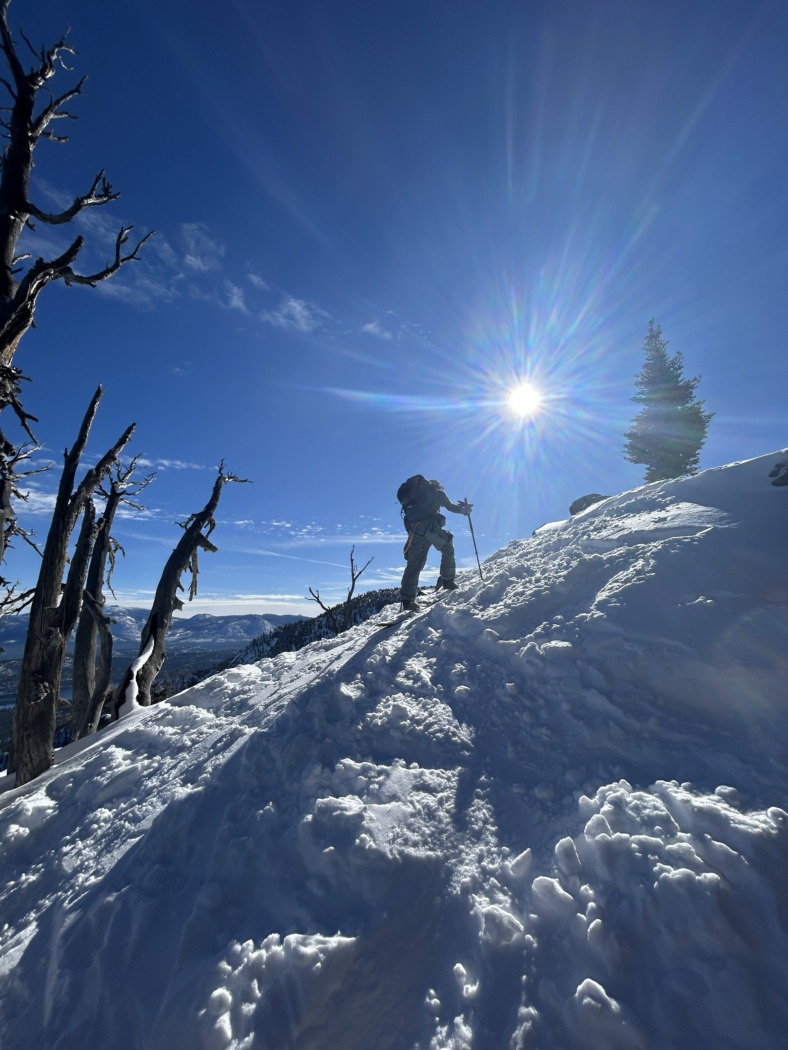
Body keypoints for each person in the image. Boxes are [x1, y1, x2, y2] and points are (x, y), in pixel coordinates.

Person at [398, 477, 472, 611]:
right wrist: (464, 510)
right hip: (430, 528)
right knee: (447, 546)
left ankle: (407, 600)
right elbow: (451, 507)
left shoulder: (415, 497)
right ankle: (448, 581)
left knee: (414, 564)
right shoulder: (438, 493)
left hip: (415, 531)